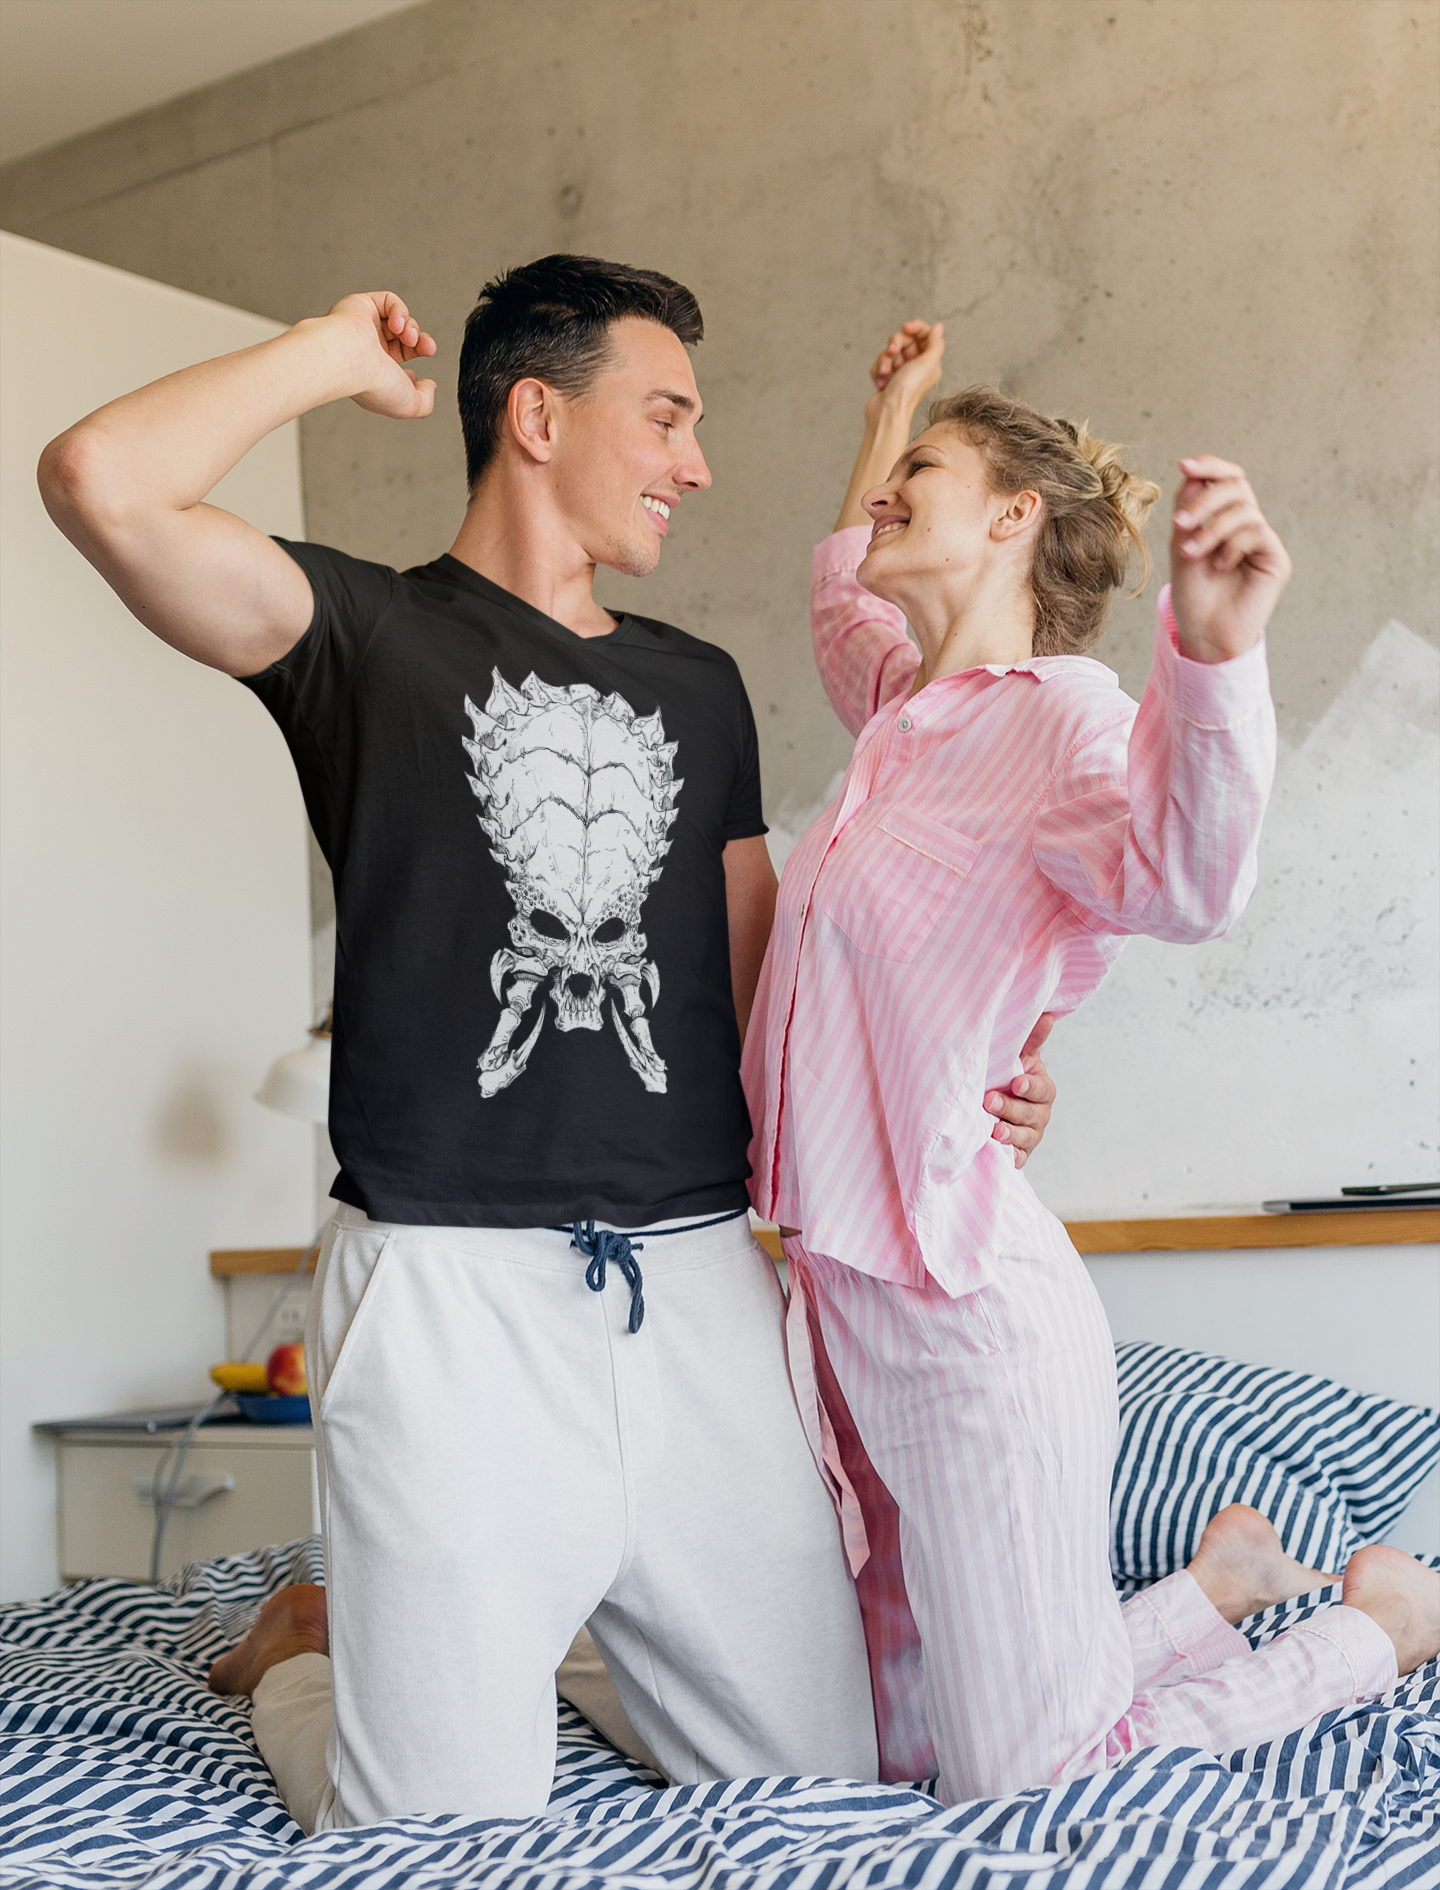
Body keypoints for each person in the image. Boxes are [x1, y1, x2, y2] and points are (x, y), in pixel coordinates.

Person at [37, 256, 1058, 1828]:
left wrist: (972, 1073)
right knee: (431, 1836)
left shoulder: (699, 687)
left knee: (825, 1795)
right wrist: (324, 352)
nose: (697, 464)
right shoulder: (367, 634)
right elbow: (101, 480)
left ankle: (480, 1639)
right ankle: (313, 1656)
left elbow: (775, 986)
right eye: (668, 417)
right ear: (536, 415)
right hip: (450, 1291)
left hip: (699, 1283)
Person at [741, 318, 1440, 1802]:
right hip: (835, 1306)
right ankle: (1214, 1591)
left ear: (1013, 517)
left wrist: (1213, 652)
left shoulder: (1065, 722)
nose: (888, 496)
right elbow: (840, 586)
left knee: (1030, 1788)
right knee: (909, 1750)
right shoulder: (900, 717)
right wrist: (893, 412)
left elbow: (1187, 880)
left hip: (962, 1309)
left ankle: (1371, 1633)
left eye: (924, 474)